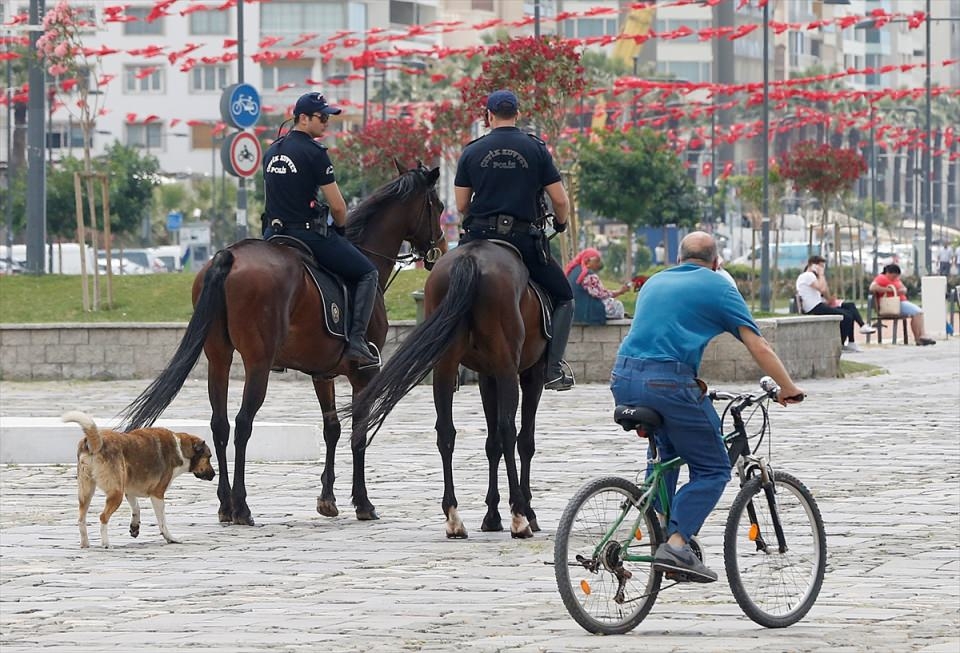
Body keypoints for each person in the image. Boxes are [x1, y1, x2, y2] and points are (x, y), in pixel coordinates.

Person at [610, 232, 805, 583]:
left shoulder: (655, 282)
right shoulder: (718, 287)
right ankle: (676, 543)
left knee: (669, 448)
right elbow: (758, 345)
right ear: (716, 262)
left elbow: (660, 337)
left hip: (623, 378)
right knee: (713, 468)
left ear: (679, 258)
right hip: (668, 384)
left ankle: (656, 518)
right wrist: (787, 387)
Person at [454, 89, 575, 390]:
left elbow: (460, 205)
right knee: (565, 297)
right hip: (522, 240)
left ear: (489, 116)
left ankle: (448, 360)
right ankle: (553, 368)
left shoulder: (472, 151)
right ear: (517, 114)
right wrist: (559, 224)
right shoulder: (536, 149)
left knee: (449, 289)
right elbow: (560, 201)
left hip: (478, 237)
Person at [262, 91, 379, 367]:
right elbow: (338, 207)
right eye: (322, 117)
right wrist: (340, 230)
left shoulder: (271, 151)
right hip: (306, 235)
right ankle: (358, 341)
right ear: (303, 118)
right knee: (368, 272)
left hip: (272, 236)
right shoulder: (315, 154)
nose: (327, 123)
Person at [795, 255, 876, 353]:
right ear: (813, 265)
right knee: (847, 316)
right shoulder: (807, 275)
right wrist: (821, 275)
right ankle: (840, 344)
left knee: (850, 306)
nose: (822, 269)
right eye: (820, 266)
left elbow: (825, 292)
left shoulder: (814, 277)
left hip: (820, 304)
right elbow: (821, 288)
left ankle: (855, 336)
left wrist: (831, 301)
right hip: (814, 308)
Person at [869, 263, 936, 346]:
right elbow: (872, 287)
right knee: (918, 312)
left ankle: (919, 338)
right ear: (888, 273)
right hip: (894, 304)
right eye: (894, 276)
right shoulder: (881, 278)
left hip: (901, 302)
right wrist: (889, 290)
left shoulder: (896, 279)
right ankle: (921, 336)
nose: (895, 278)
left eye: (896, 276)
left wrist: (903, 290)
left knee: (917, 314)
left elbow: (904, 288)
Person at [565, 248, 630, 324]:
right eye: (597, 261)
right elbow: (601, 294)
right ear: (588, 261)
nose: (598, 264)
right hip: (588, 313)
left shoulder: (573, 271)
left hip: (574, 312)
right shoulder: (588, 275)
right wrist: (620, 291)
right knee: (618, 305)